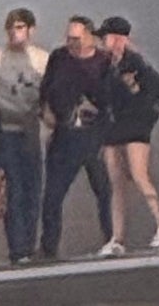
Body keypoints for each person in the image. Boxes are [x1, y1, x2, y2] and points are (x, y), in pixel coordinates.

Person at [39, 16, 116, 259]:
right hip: (65, 135)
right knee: (52, 194)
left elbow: (113, 98)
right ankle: (49, 247)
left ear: (89, 36)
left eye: (76, 38)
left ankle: (113, 238)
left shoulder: (104, 62)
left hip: (95, 136)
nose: (71, 43)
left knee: (104, 191)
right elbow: (46, 89)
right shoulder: (59, 58)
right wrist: (47, 112)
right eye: (69, 38)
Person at [98, 17, 159, 250]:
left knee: (140, 175)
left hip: (134, 127)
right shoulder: (105, 66)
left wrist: (134, 94)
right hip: (114, 127)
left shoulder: (137, 65)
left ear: (121, 39)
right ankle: (117, 237)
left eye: (110, 37)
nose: (106, 41)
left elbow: (152, 93)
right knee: (116, 183)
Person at [0, 8, 50, 265]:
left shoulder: (42, 60)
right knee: (12, 189)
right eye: (11, 28)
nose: (16, 32)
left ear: (31, 29)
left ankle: (30, 242)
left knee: (32, 187)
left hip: (31, 130)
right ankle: (18, 246)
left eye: (21, 27)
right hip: (5, 131)